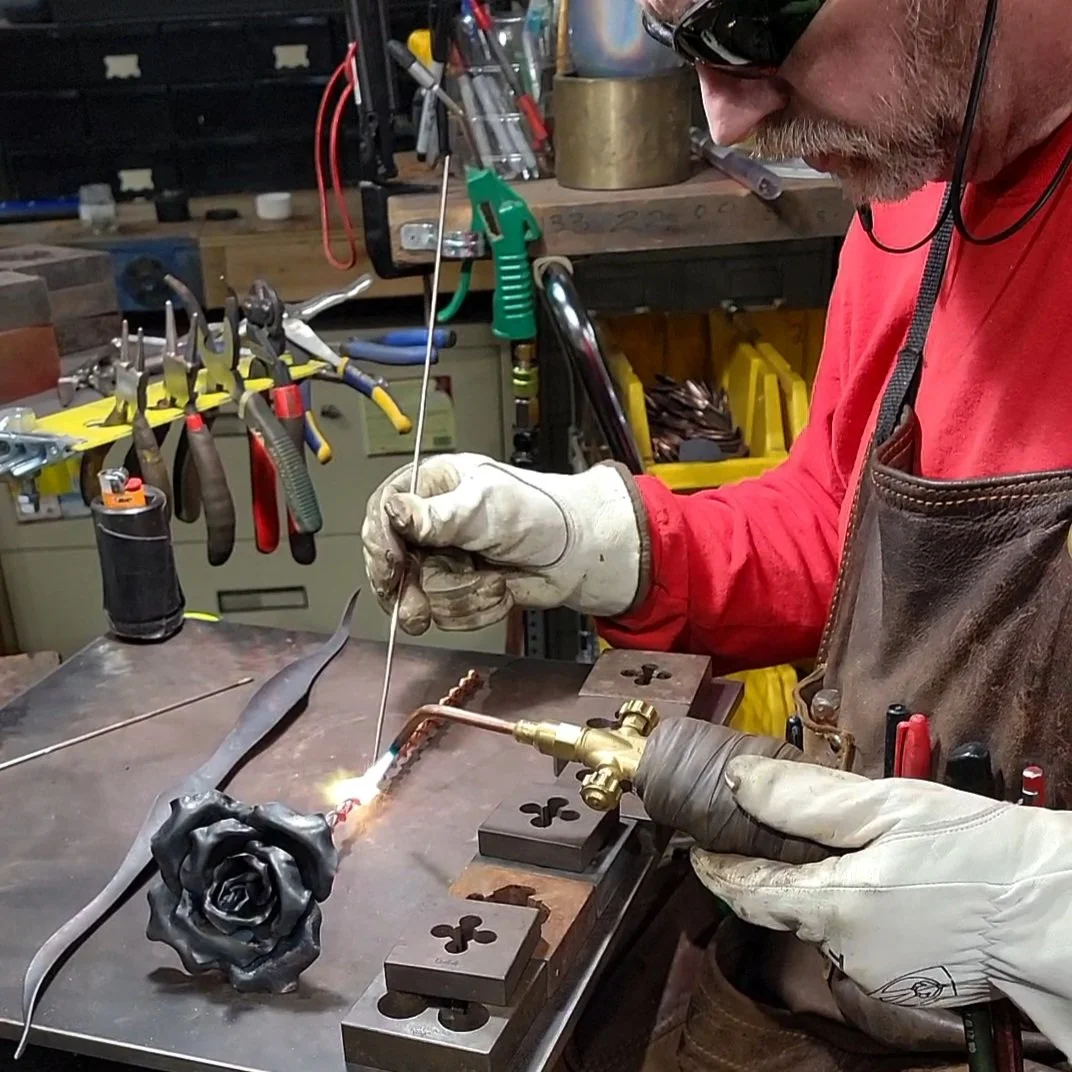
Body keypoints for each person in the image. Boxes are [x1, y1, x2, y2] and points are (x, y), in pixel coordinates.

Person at [363, 0, 1072, 1064]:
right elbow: (841, 534)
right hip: (827, 998)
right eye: (675, 42)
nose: (726, 119)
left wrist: (1047, 918)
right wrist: (599, 540)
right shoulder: (921, 173)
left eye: (744, 26)